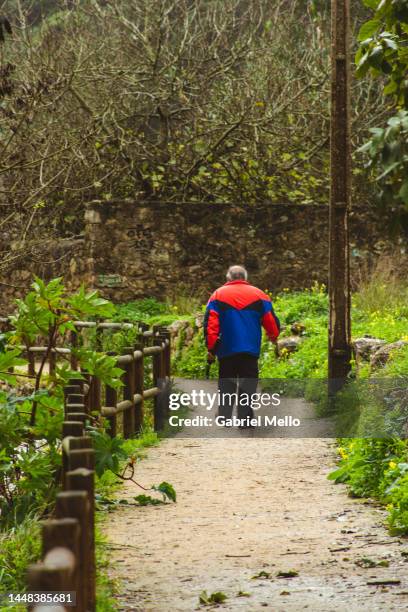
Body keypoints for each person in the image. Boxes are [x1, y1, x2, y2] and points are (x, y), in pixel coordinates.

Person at [204, 265, 280, 425]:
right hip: (250, 350)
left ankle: (224, 416)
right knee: (248, 383)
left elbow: (211, 326)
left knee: (226, 383)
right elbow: (271, 321)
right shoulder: (260, 295)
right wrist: (273, 336)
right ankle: (245, 419)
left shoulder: (217, 295)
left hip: (226, 349)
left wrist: (211, 348)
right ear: (245, 278)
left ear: (228, 278)